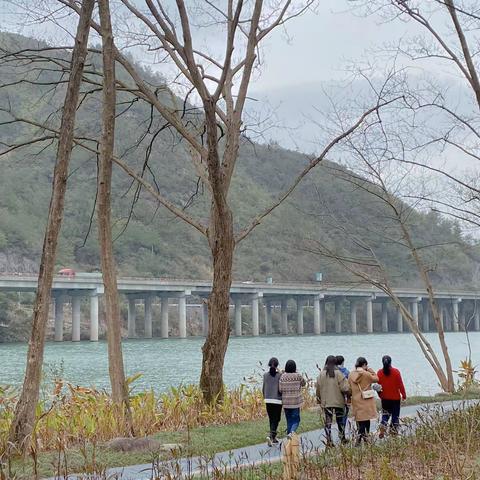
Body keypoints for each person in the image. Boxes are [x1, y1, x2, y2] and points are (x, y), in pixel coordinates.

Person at [316, 355, 351, 445]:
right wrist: (349, 395)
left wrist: (319, 399)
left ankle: (329, 440)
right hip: (338, 401)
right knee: (340, 421)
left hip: (326, 402)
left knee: (328, 422)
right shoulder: (339, 373)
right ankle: (342, 438)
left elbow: (318, 388)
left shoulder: (321, 374)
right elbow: (345, 388)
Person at [348, 357, 379, 445]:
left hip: (356, 400)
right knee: (366, 419)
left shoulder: (351, 374)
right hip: (366, 400)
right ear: (364, 364)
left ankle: (363, 438)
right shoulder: (366, 374)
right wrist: (370, 369)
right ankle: (362, 438)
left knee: (360, 419)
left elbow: (349, 387)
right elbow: (376, 378)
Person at [377, 355, 407, 438]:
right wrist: (404, 395)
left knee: (385, 415)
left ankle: (383, 427)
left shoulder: (379, 372)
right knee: (395, 416)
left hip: (385, 398)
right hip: (395, 399)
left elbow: (378, 387)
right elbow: (400, 385)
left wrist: (380, 395)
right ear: (391, 362)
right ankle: (393, 433)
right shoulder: (396, 372)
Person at [279, 359, 306, 438]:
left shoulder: (282, 376)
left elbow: (280, 389)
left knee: (289, 420)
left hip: (286, 403)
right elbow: (304, 383)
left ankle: (289, 437)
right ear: (295, 367)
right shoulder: (298, 376)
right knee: (296, 420)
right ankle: (291, 432)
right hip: (295, 402)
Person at [262, 357, 282, 446]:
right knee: (276, 418)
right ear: (277, 365)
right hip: (277, 400)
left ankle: (273, 437)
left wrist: (265, 397)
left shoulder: (265, 375)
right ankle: (271, 436)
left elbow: (263, 388)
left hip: (268, 399)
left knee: (271, 418)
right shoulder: (280, 375)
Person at [336, 355, 350, 431]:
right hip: (345, 396)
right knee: (344, 414)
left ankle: (340, 429)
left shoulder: (332, 372)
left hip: (335, 396)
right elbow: (349, 385)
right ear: (343, 362)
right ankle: (342, 429)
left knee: (338, 415)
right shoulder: (346, 372)